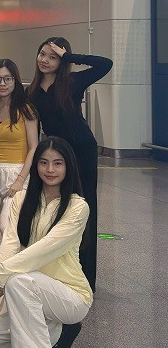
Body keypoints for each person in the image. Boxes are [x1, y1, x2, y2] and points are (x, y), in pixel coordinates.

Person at [0, 137, 92, 348]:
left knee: (19, 282)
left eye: (57, 163)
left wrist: (2, 275)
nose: (50, 170)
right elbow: (10, 241)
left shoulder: (77, 207)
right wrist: (0, 277)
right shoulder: (22, 200)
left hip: (70, 293)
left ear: (68, 166)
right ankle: (59, 333)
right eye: (43, 162)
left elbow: (44, 250)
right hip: (31, 287)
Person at [27, 37, 112, 291]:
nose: (45, 60)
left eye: (53, 57)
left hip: (82, 151)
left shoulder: (72, 82)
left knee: (84, 207)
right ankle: (59, 270)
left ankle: (86, 277)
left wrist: (70, 57)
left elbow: (105, 64)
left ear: (61, 60)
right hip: (55, 155)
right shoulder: (32, 91)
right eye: (43, 54)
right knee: (57, 208)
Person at [0, 58, 39, 251]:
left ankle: (9, 266)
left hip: (17, 173)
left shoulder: (26, 110)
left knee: (7, 227)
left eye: (7, 79)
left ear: (15, 81)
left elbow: (34, 147)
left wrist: (20, 180)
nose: (2, 84)